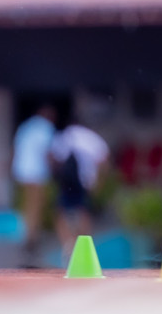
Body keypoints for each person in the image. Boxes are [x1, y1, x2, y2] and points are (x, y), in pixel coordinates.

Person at [49, 113, 109, 257]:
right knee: (83, 211)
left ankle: (68, 242)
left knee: (60, 211)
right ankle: (85, 244)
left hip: (69, 181)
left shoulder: (66, 135)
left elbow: (54, 156)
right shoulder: (92, 138)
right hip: (86, 180)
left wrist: (54, 176)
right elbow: (104, 160)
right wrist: (99, 183)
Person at [12, 104, 57, 267]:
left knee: (27, 208)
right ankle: (31, 242)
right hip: (37, 173)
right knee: (36, 208)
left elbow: (16, 149)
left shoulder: (26, 126)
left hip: (22, 172)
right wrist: (54, 172)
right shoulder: (46, 127)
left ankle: (29, 240)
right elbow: (48, 153)